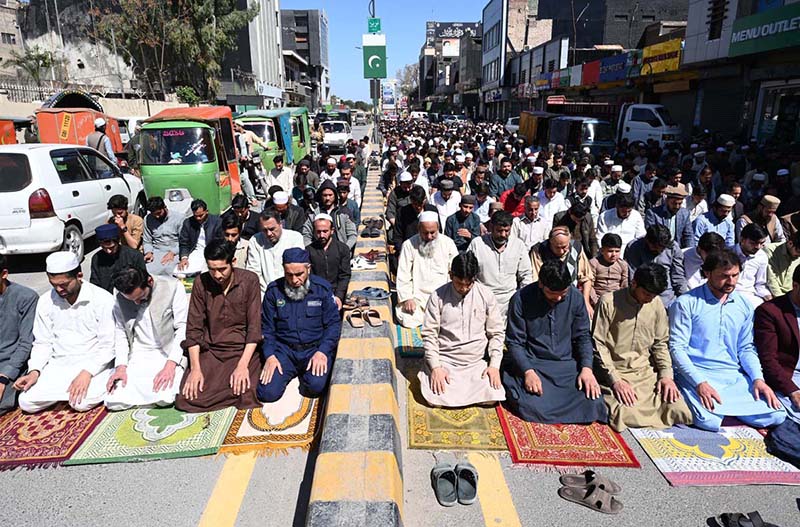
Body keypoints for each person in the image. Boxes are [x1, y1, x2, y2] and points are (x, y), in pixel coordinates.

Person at [669, 249, 786, 432]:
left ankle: (733, 410)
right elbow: (677, 349)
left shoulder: (744, 304)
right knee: (707, 421)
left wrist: (758, 379)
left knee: (777, 414)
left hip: (732, 375)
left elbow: (746, 348)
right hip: (698, 374)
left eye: (735, 275)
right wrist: (700, 383)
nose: (731, 281)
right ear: (707, 273)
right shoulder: (686, 303)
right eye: (724, 276)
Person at [502, 259, 607, 424]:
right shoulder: (520, 299)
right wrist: (528, 372)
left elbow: (583, 337)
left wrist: (587, 369)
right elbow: (515, 342)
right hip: (534, 363)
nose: (558, 298)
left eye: (563, 294)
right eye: (553, 293)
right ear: (541, 284)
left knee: (593, 402)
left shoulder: (576, 298)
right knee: (530, 405)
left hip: (566, 365)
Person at [593, 263, 693, 431]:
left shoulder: (656, 305)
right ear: (634, 283)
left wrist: (666, 376)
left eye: (653, 295)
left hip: (645, 373)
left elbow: (660, 343)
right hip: (615, 372)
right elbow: (598, 344)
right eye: (646, 293)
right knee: (625, 413)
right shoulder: (608, 302)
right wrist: (615, 381)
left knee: (678, 409)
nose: (649, 299)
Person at [14, 252, 115, 412]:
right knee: (26, 402)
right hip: (59, 365)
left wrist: (87, 373)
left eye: (64, 284)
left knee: (80, 403)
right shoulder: (46, 301)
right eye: (54, 284)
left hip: (92, 364)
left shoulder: (102, 300)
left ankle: (105, 379)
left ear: (79, 276)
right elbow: (42, 342)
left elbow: (108, 345)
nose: (59, 289)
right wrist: (35, 371)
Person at [175, 240, 263, 412]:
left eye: (222, 269)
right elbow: (193, 329)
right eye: (212, 269)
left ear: (233, 262)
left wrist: (243, 365)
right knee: (188, 398)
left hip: (242, 350)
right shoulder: (201, 283)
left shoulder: (249, 280)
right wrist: (195, 369)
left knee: (246, 393)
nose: (217, 275)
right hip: (212, 350)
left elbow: (254, 328)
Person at [419, 252, 505, 407]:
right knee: (434, 398)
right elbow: (429, 335)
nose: (464, 288)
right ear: (451, 275)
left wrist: (494, 366)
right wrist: (436, 367)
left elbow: (496, 333)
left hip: (475, 363)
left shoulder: (486, 295)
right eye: (459, 283)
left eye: (469, 284)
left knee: (491, 395)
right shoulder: (437, 296)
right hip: (446, 361)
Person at [257, 247, 340, 402]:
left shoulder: (321, 289)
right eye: (289, 275)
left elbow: (333, 324)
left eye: (299, 274)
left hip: (314, 349)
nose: (294, 280)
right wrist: (270, 355)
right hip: (285, 351)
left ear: (308, 268)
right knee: (267, 394)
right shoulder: (274, 291)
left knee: (315, 387)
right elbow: (267, 328)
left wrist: (323, 351)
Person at [104, 268, 188, 410]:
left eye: (140, 297)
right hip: (138, 354)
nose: (136, 303)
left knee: (165, 398)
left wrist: (170, 365)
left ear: (149, 281)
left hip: (167, 352)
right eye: (132, 300)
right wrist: (121, 367)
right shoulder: (120, 294)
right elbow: (120, 331)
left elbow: (182, 328)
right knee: (114, 401)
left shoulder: (172, 286)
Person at [396, 211, 459, 328]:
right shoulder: (409, 245)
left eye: (432, 233)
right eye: (425, 233)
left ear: (438, 229)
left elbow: (455, 272)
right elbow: (403, 275)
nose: (429, 237)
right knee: (408, 319)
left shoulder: (448, 243)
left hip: (443, 297)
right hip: (417, 298)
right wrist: (407, 298)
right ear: (419, 229)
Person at [754, 265, 800, 424]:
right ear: (795, 286)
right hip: (789, 378)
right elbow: (768, 360)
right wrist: (793, 390)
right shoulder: (770, 311)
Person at [468, 211, 532, 319]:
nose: (503, 235)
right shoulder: (477, 244)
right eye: (499, 230)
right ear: (491, 227)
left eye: (506, 231)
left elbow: (526, 274)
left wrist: (523, 299)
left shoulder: (518, 245)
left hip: (509, 301)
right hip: (482, 300)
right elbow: (469, 273)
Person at [0, 253, 38, 415]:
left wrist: (4, 377)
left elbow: (25, 343)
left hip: (11, 366)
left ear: (4, 274)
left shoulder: (25, 298)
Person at [531, 226, 594, 317]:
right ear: (550, 242)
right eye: (557, 247)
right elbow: (536, 279)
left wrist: (586, 302)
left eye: (564, 247)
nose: (561, 251)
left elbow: (586, 278)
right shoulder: (539, 250)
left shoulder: (577, 247)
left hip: (570, 295)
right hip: (547, 296)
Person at [625, 224, 687, 309]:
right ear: (648, 241)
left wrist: (684, 298)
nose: (659, 251)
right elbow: (632, 277)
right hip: (643, 298)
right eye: (656, 247)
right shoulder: (634, 247)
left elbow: (678, 276)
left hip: (667, 300)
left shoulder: (674, 248)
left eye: (662, 248)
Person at [247, 209, 305, 297]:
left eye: (272, 229)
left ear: (280, 224)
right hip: (265, 294)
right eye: (264, 230)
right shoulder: (255, 240)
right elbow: (254, 272)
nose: (269, 233)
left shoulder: (295, 238)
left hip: (291, 292)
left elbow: (297, 268)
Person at [306, 214, 351, 310]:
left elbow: (344, 275)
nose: (321, 235)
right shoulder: (309, 251)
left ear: (332, 231)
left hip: (337, 294)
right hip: (317, 295)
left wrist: (339, 296)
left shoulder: (342, 249)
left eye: (325, 231)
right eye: (318, 232)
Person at [90, 224, 148, 293]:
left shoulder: (134, 256)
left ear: (118, 241)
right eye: (104, 248)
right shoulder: (96, 258)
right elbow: (95, 284)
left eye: (111, 247)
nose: (108, 251)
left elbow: (143, 281)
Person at [176, 199, 222, 276]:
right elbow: (184, 243)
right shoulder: (188, 223)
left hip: (212, 251)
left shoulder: (217, 221)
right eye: (196, 216)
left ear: (206, 211)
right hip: (196, 251)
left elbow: (220, 241)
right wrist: (184, 258)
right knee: (181, 272)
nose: (198, 218)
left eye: (201, 215)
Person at [142, 196, 185, 277]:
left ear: (164, 207)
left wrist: (173, 252)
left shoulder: (179, 218)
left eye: (159, 213)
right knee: (147, 271)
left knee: (169, 270)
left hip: (175, 251)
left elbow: (184, 241)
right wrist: (148, 252)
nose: (157, 216)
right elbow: (147, 241)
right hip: (157, 251)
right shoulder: (147, 219)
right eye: (154, 214)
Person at [732, 223, 771, 308]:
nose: (758, 247)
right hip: (729, 293)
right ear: (742, 240)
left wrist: (768, 297)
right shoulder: (728, 252)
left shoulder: (762, 256)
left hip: (750, 296)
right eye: (753, 243)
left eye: (761, 243)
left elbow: (760, 283)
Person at [597, 192, 646, 257]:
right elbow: (600, 237)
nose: (627, 214)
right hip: (610, 253)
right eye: (623, 211)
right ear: (617, 207)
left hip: (630, 253)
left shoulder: (636, 216)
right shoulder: (604, 216)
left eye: (629, 211)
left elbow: (640, 237)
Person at [589, 233, 628, 307]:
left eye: (617, 251)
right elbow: (590, 285)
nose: (614, 254)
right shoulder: (594, 263)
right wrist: (596, 302)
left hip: (617, 301)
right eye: (610, 251)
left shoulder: (623, 264)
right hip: (597, 300)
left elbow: (624, 285)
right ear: (602, 250)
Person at [765, 231, 800, 298]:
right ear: (790, 243)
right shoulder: (770, 250)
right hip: (772, 293)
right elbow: (771, 279)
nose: (799, 256)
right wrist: (782, 299)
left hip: (791, 294)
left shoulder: (798, 256)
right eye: (798, 252)